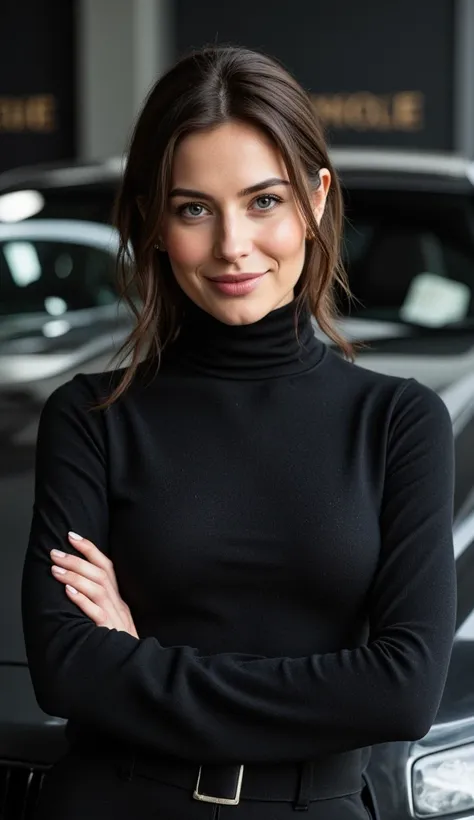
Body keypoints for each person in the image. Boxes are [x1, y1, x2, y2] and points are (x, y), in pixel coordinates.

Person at [22, 45, 456, 820]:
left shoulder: (398, 423)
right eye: (194, 208)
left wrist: (133, 661)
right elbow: (64, 671)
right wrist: (328, 686)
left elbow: (402, 693)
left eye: (264, 201)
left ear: (316, 200)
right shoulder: (90, 419)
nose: (231, 245)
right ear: (154, 224)